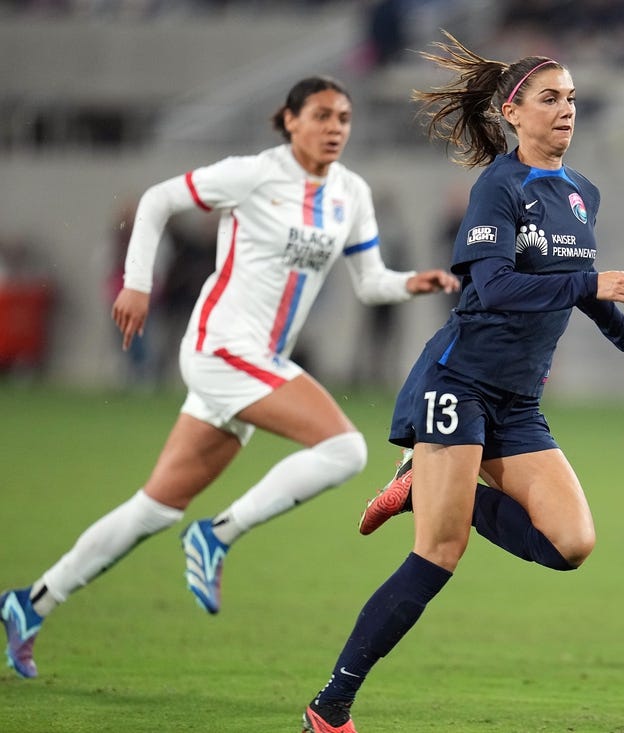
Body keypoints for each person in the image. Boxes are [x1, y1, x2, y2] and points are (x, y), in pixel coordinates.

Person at [0, 75, 459, 680]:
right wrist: (137, 281)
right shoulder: (255, 174)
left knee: (154, 508)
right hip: (222, 348)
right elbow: (160, 199)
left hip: (257, 362)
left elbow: (369, 280)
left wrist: (411, 282)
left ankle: (30, 603)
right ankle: (218, 535)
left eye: (343, 118)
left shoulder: (351, 192)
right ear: (289, 120)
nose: (334, 128)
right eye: (321, 115)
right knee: (345, 449)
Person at [301, 33, 624, 733]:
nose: (565, 110)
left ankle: (432, 492)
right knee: (438, 556)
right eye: (550, 98)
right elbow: (490, 286)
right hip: (455, 384)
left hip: (518, 401)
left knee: (570, 544)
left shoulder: (581, 192)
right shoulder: (498, 186)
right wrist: (590, 281)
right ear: (512, 112)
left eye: (572, 99)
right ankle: (330, 705)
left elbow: (572, 289)